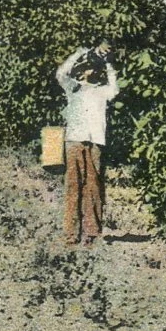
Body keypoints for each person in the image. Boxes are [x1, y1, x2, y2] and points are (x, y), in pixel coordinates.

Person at [55, 42, 119, 246]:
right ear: (81, 71)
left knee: (93, 186)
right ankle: (71, 234)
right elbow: (60, 73)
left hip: (95, 143)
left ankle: (92, 233)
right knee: (73, 186)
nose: (89, 71)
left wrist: (109, 64)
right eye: (86, 67)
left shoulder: (102, 91)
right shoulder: (72, 87)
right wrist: (81, 52)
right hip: (74, 141)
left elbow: (115, 89)